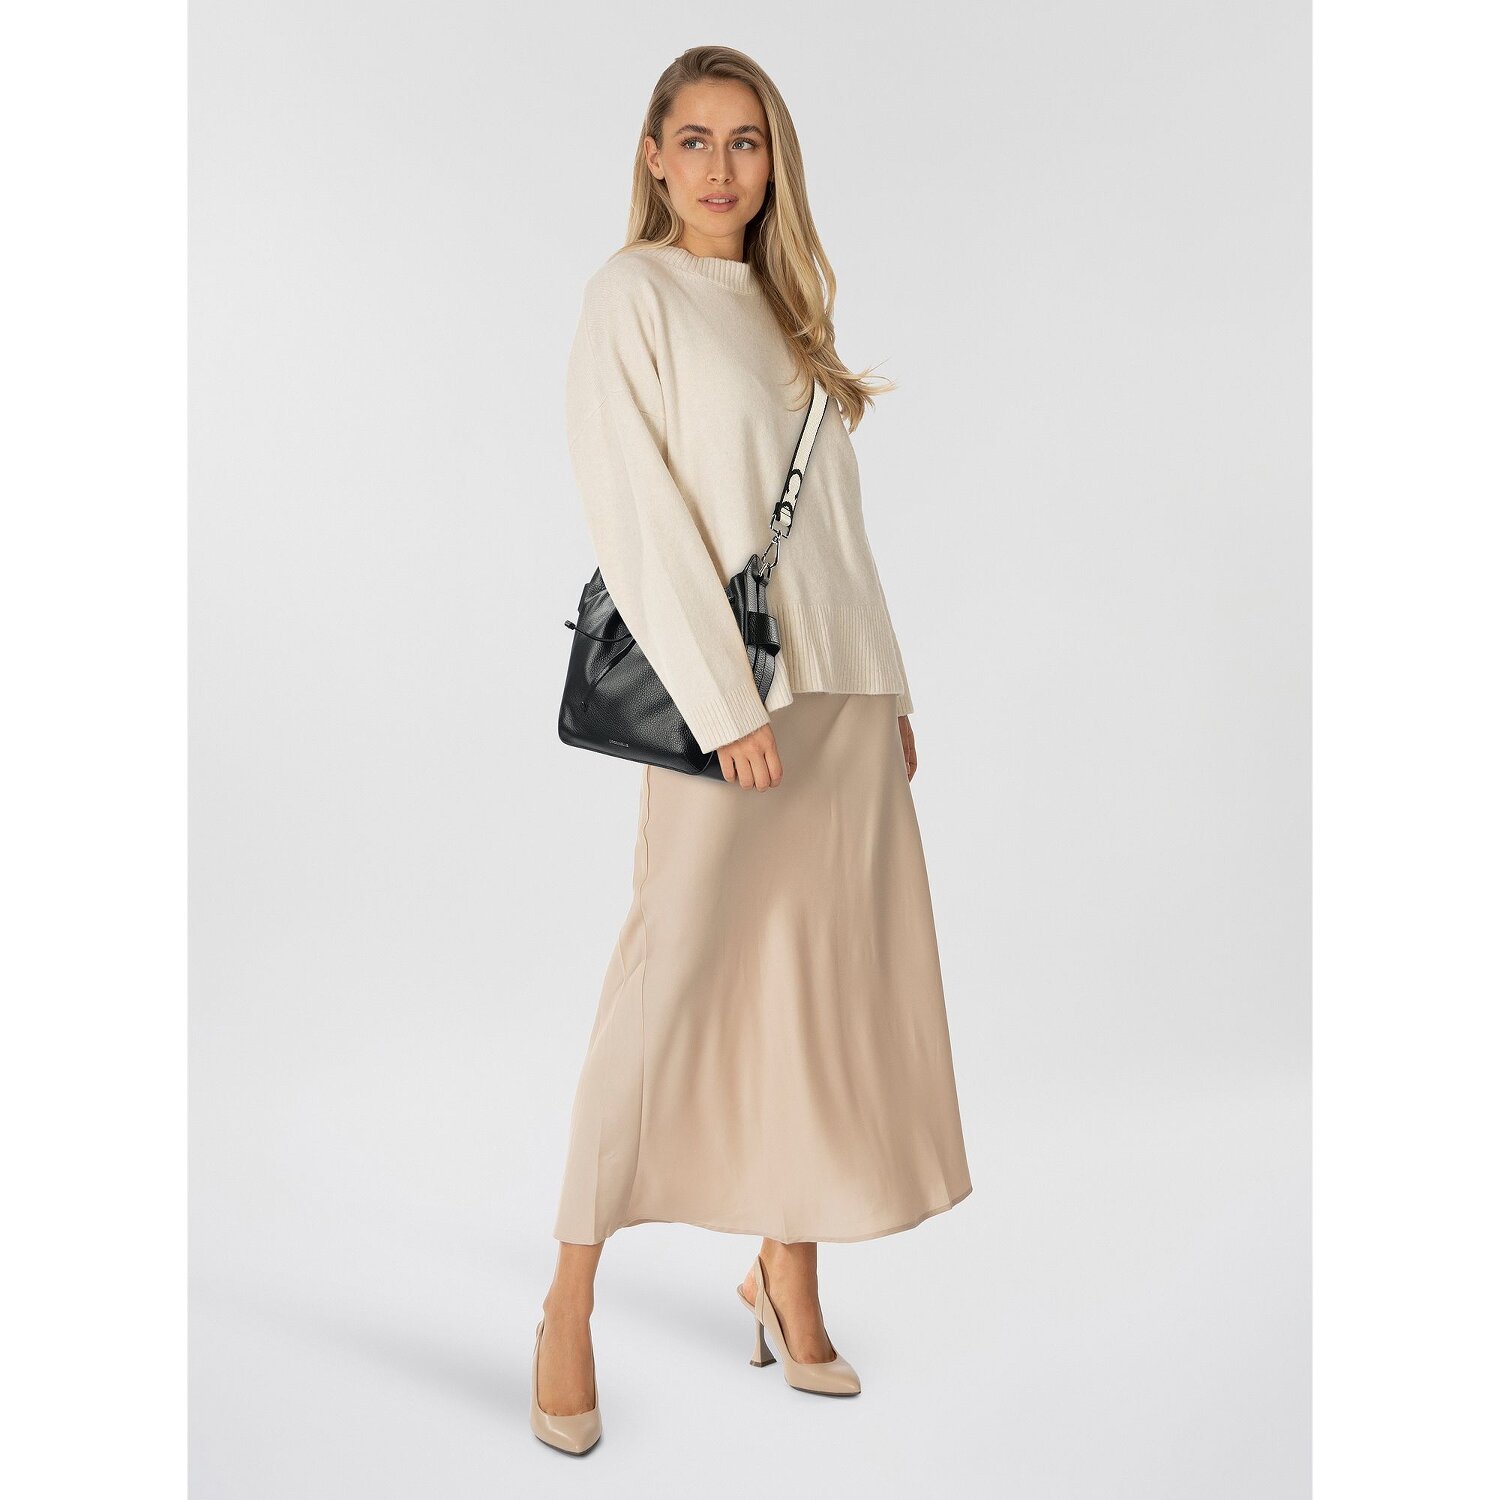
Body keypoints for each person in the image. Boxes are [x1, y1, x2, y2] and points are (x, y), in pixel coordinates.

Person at [530, 45, 972, 1455]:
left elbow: (832, 529)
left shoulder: (789, 310)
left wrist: (887, 688)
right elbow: (635, 515)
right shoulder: (632, 296)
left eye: (747, 141)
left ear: (774, 161)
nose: (721, 167)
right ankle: (566, 1301)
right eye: (696, 139)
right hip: (731, 707)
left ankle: (787, 1271)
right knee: (666, 985)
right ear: (653, 156)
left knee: (818, 988)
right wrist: (725, 708)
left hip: (841, 699)